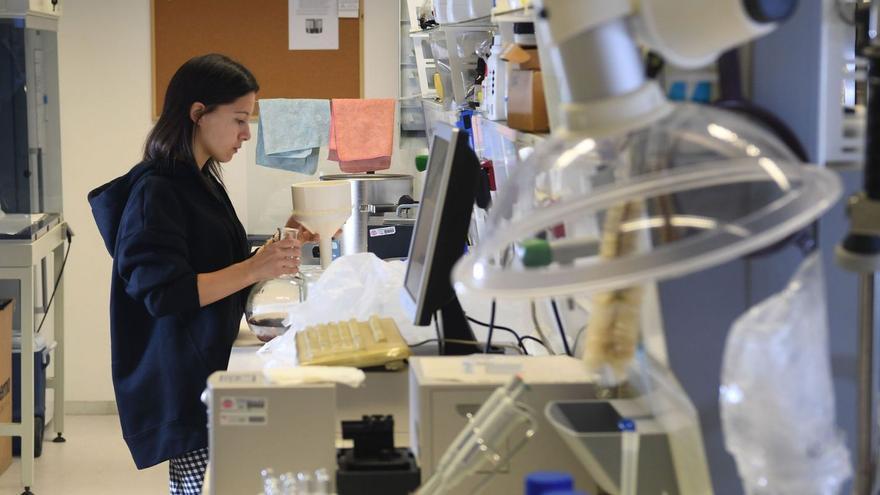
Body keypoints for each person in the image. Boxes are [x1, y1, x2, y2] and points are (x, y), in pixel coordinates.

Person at [88, 54, 307, 494]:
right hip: (182, 375)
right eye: (240, 119)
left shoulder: (199, 179)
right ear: (198, 113)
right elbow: (166, 294)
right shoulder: (158, 190)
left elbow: (211, 261)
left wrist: (275, 248)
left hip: (205, 360)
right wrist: (253, 267)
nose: (247, 133)